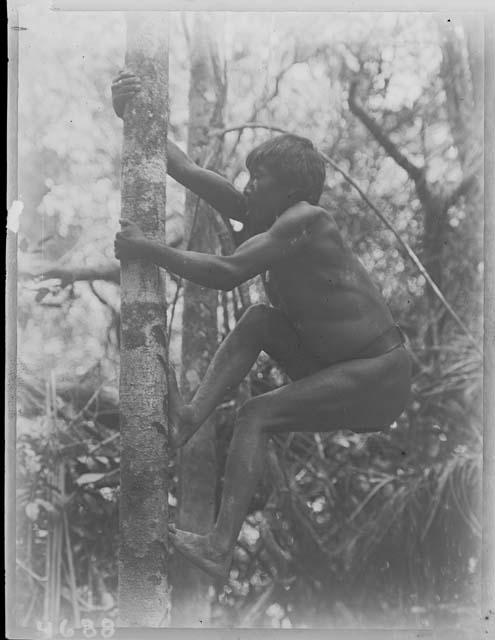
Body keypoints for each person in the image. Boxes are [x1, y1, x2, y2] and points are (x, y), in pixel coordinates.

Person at [111, 71, 412, 579]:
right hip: (339, 365)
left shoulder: (304, 219)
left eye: (261, 179)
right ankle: (188, 420)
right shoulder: (267, 214)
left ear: (291, 189)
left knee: (256, 414)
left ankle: (219, 548)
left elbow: (228, 274)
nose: (250, 188)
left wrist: (146, 249)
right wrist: (131, 117)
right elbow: (183, 166)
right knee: (259, 321)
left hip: (379, 371)